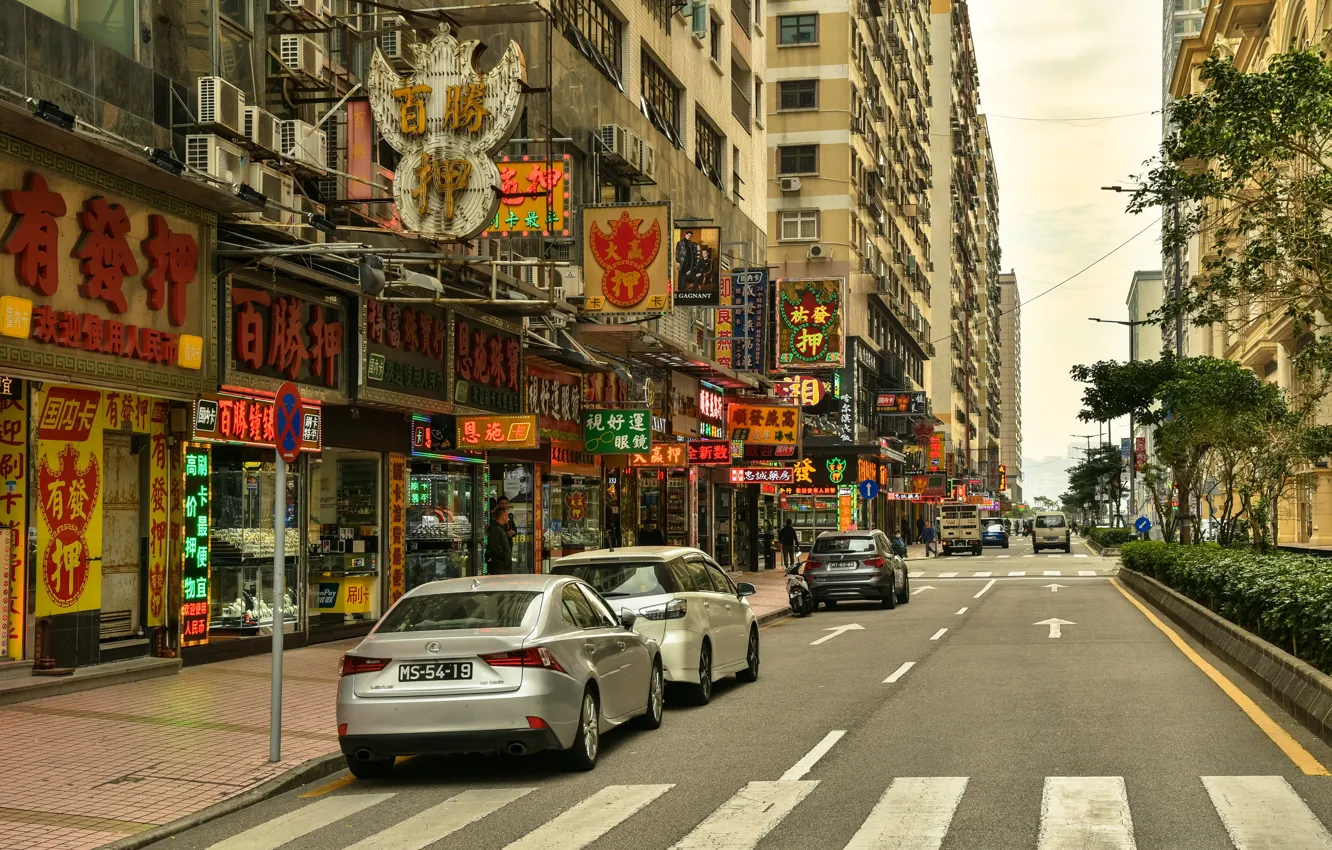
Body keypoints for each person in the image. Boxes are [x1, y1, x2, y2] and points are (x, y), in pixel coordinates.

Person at [485, 503, 513, 574]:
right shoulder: (495, 528)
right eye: (507, 516)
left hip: (502, 565)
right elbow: (494, 545)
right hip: (499, 567)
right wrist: (503, 556)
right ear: (503, 516)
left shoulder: (501, 528)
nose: (508, 518)